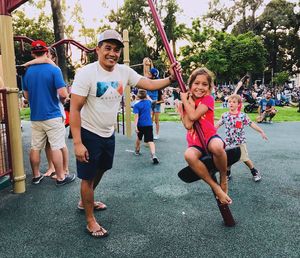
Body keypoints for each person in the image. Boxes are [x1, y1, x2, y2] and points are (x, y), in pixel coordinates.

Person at [70, 29, 180, 238]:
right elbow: (75, 109)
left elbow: (148, 83)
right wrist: (77, 143)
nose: (112, 53)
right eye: (108, 48)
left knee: (101, 169)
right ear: (98, 50)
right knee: (87, 178)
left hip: (107, 133)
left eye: (116, 50)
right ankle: (90, 219)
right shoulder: (86, 73)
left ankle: (87, 201)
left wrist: (170, 79)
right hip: (88, 132)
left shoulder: (123, 71)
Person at [22, 40, 75, 186]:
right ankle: (60, 177)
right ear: (46, 52)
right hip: (52, 115)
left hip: (36, 117)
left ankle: (36, 176)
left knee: (35, 147)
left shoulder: (26, 72)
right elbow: (63, 94)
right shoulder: (54, 70)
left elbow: (26, 97)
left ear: (33, 53)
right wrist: (63, 101)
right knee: (57, 146)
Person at [178, 67, 231, 205]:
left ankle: (223, 177)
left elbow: (194, 115)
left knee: (217, 147)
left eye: (204, 84)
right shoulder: (184, 103)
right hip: (195, 143)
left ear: (209, 87)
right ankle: (215, 186)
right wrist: (186, 102)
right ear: (190, 86)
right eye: (196, 83)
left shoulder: (208, 99)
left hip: (209, 137)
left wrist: (185, 100)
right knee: (188, 155)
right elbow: (188, 125)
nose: (200, 87)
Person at [216, 94, 268, 182]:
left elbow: (252, 124)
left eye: (234, 102)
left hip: (240, 142)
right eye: (229, 102)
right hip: (229, 142)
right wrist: (210, 132)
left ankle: (254, 172)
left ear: (239, 104)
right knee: (228, 159)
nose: (231, 104)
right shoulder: (225, 115)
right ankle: (228, 173)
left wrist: (261, 131)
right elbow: (217, 125)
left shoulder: (242, 116)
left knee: (244, 158)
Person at [133, 89, 159, 163]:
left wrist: (135, 127)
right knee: (150, 141)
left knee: (139, 138)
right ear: (146, 95)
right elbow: (150, 100)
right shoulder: (148, 102)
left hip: (140, 125)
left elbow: (136, 117)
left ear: (138, 95)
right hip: (148, 124)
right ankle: (153, 155)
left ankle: (137, 151)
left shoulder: (136, 105)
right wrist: (146, 96)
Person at [147, 67, 163, 140]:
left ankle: (157, 134)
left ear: (153, 75)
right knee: (150, 120)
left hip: (156, 105)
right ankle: (150, 133)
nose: (148, 74)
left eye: (150, 73)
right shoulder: (148, 84)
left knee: (156, 120)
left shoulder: (158, 87)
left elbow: (162, 100)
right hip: (150, 104)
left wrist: (157, 102)